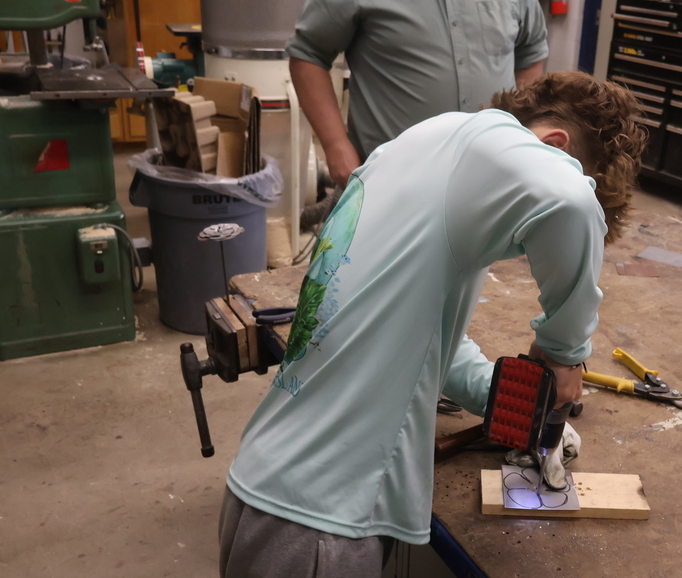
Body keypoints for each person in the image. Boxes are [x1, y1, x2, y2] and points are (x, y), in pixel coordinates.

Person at [219, 72, 645, 578]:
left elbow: (424, 338)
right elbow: (571, 200)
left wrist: (509, 400)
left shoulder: (416, 149)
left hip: (265, 484)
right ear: (553, 146)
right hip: (320, 526)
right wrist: (563, 354)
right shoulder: (533, 172)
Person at [287, 0, 549, 191]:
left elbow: (530, 51)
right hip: (390, 184)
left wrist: (522, 132)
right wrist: (335, 145)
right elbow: (308, 56)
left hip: (493, 181)